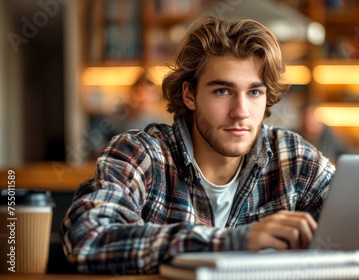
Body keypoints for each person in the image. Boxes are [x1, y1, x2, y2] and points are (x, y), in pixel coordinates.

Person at [61, 15, 334, 274]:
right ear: (189, 94)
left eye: (254, 92)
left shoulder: (294, 158)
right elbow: (88, 237)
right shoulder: (141, 154)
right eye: (222, 91)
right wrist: (233, 242)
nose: (241, 111)